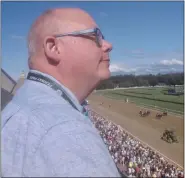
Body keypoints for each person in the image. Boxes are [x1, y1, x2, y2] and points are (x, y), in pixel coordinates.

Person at [1, 8, 120, 177]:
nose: (108, 45)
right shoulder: (67, 132)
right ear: (53, 47)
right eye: (96, 36)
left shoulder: (22, 103)